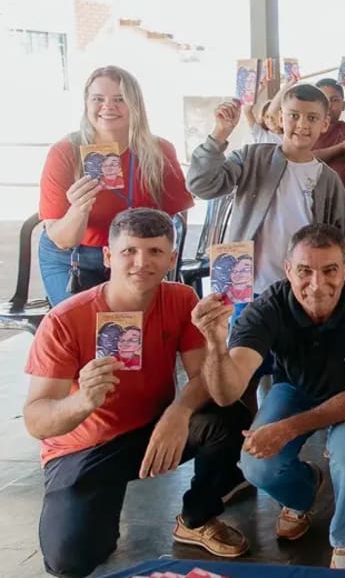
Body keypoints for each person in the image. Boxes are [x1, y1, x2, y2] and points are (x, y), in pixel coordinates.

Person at [25, 209, 251, 577]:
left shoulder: (180, 300)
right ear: (108, 256)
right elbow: (36, 419)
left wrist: (178, 412)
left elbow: (205, 380)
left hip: (152, 429)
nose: (141, 263)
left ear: (171, 259)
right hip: (84, 448)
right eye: (129, 251)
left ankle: (197, 518)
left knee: (229, 414)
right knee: (71, 560)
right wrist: (82, 401)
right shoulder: (66, 320)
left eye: (155, 252)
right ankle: (97, 515)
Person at [196, 223, 345, 570]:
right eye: (304, 271)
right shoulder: (267, 308)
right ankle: (304, 493)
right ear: (288, 269)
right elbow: (228, 392)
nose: (317, 285)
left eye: (330, 270)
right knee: (255, 463)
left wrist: (287, 429)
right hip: (296, 388)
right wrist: (215, 344)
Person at [38, 66, 193, 306]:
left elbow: (175, 218)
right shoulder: (65, 152)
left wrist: (154, 259)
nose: (108, 106)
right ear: (86, 104)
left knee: (129, 326)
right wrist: (80, 208)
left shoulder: (159, 151)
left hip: (133, 254)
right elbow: (62, 239)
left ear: (135, 105)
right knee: (87, 326)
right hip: (75, 257)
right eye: (98, 99)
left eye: (119, 99)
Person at [187, 85, 345, 300]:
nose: (302, 124)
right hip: (246, 287)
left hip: (303, 291)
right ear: (280, 118)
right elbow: (202, 185)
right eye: (294, 115)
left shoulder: (329, 181)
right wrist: (219, 134)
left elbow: (342, 239)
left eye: (312, 118)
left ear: (325, 124)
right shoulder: (251, 158)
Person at [310, 78, 345, 190]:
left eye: (335, 100)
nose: (329, 105)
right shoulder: (306, 129)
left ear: (343, 105)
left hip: (344, 200)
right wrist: (342, 147)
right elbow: (304, 158)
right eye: (323, 100)